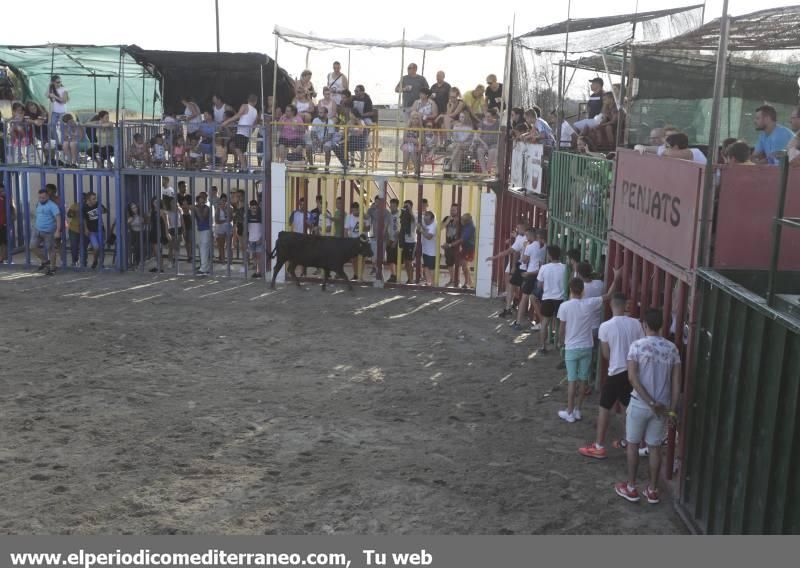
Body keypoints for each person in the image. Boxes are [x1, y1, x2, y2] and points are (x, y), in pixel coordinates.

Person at [615, 308, 682, 505]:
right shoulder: (672, 349)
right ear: (662, 325)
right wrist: (671, 409)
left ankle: (631, 486)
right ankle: (653, 489)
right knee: (654, 448)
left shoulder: (636, 346)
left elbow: (632, 378)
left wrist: (649, 401)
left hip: (640, 403)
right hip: (663, 407)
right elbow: (677, 382)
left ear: (644, 325)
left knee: (633, 445)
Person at [579, 292, 644, 459]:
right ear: (625, 306)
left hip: (616, 370)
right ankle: (632, 441)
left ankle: (599, 445)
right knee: (628, 407)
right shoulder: (636, 324)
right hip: (632, 372)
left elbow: (606, 353)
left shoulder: (605, 326)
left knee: (605, 407)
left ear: (611, 305)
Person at [557, 270, 621, 423]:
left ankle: (570, 411)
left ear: (570, 289)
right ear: (583, 290)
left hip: (571, 347)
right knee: (583, 380)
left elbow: (561, 329)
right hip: (586, 346)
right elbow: (608, 295)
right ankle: (578, 410)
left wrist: (560, 342)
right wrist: (616, 278)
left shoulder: (564, 306)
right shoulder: (590, 303)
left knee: (572, 380)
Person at [486, 222, 529, 318]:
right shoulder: (524, 238)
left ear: (524, 228)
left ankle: (509, 307)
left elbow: (511, 252)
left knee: (512, 286)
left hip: (522, 267)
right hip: (525, 267)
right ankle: (512, 305)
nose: (517, 229)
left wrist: (494, 257)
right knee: (516, 287)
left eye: (519, 227)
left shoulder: (521, 239)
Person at [509, 227, 543, 330]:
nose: (526, 237)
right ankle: (540, 321)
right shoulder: (543, 246)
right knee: (536, 298)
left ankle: (518, 322)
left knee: (524, 298)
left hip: (530, 273)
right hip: (539, 273)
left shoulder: (530, 246)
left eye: (527, 235)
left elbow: (524, 260)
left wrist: (524, 249)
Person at [536, 245, 567, 353]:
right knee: (561, 324)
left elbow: (539, 285)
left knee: (545, 323)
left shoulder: (544, 268)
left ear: (549, 255)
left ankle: (542, 347)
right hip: (560, 299)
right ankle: (559, 344)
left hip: (547, 298)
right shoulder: (565, 268)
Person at [221, 94, 259, 172]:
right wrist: (250, 132)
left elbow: (238, 115)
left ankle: (245, 168)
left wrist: (226, 122)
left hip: (241, 132)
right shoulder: (255, 111)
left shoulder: (245, 106)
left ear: (248, 100)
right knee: (238, 149)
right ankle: (244, 167)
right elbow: (254, 124)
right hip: (246, 133)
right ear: (255, 102)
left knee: (238, 149)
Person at [32, 189, 61, 275]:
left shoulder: (53, 206)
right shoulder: (38, 204)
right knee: (32, 246)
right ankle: (45, 261)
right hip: (37, 230)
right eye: (40, 197)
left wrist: (57, 231)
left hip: (49, 231)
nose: (41, 199)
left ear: (47, 197)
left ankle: (52, 267)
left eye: (43, 198)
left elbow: (58, 218)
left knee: (51, 249)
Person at [82, 192, 107, 270]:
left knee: (101, 248)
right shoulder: (85, 208)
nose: (95, 200)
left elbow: (105, 211)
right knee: (96, 247)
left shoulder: (98, 204)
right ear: (88, 200)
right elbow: (84, 219)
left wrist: (102, 209)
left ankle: (101, 263)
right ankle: (95, 260)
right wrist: (86, 229)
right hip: (91, 231)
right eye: (93, 199)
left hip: (101, 230)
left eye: (95, 198)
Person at [473, 108, 500, 175]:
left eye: (489, 116)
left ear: (493, 116)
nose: (487, 118)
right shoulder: (482, 123)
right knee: (479, 151)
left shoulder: (497, 123)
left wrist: (499, 113)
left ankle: (488, 169)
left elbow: (503, 120)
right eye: (486, 116)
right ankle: (484, 171)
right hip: (483, 142)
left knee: (493, 151)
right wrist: (484, 144)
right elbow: (478, 136)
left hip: (493, 143)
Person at [47, 75, 69, 158]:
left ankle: (63, 143)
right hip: (54, 112)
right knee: (52, 126)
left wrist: (55, 96)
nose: (59, 83)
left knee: (63, 127)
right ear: (53, 82)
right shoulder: (51, 90)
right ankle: (57, 142)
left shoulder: (64, 89)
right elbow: (46, 95)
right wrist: (49, 86)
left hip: (62, 112)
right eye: (57, 82)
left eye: (60, 82)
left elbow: (64, 100)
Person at [148, 197, 169, 273]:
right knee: (155, 251)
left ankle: (161, 268)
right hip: (153, 231)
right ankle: (158, 266)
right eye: (154, 201)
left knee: (158, 251)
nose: (155, 203)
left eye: (157, 202)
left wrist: (167, 233)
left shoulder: (162, 211)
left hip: (159, 232)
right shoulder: (152, 211)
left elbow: (167, 223)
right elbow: (149, 222)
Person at [441, 204, 461, 286]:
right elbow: (440, 228)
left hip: (457, 245)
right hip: (448, 245)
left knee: (458, 264)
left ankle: (458, 281)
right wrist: (447, 221)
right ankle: (452, 280)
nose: (452, 211)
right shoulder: (447, 218)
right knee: (449, 263)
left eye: (454, 210)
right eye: (451, 210)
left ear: (457, 211)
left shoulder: (461, 219)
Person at [400, 200, 417, 284]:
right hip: (405, 241)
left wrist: (410, 210)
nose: (405, 208)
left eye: (407, 206)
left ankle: (411, 279)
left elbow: (414, 220)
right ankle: (409, 278)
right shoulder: (403, 215)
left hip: (412, 241)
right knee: (406, 262)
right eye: (405, 206)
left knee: (410, 262)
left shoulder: (413, 214)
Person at [194, 193, 212, 275]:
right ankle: (204, 267)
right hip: (200, 230)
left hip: (206, 230)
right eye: (200, 202)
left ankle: (204, 269)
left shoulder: (207, 208)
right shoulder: (196, 208)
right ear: (197, 202)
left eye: (203, 202)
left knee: (204, 249)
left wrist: (196, 210)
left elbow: (202, 218)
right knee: (201, 249)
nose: (202, 204)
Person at [344, 201, 363, 280]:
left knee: (362, 258)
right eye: (354, 210)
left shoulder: (363, 216)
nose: (355, 212)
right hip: (353, 240)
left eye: (356, 210)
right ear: (352, 210)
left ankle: (360, 275)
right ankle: (355, 274)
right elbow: (346, 230)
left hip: (362, 240)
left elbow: (368, 228)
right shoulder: (349, 217)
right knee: (354, 259)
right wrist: (348, 241)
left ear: (359, 209)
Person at [246, 199, 264, 278]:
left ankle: (259, 272)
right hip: (251, 240)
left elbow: (263, 228)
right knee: (254, 257)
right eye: (253, 208)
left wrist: (261, 238)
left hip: (258, 239)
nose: (254, 209)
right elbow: (246, 228)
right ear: (250, 208)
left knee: (258, 256)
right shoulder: (247, 216)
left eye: (255, 208)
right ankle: (256, 272)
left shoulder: (260, 216)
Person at [419, 210, 437, 286]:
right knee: (426, 266)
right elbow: (426, 228)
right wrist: (422, 227)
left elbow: (429, 236)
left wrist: (421, 231)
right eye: (425, 217)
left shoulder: (434, 225)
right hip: (425, 250)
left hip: (432, 252)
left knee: (431, 268)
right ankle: (428, 282)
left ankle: (433, 283)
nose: (425, 219)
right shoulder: (427, 224)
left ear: (432, 219)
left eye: (427, 218)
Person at [385, 198, 401, 283]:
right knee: (390, 259)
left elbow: (399, 229)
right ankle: (393, 275)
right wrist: (387, 239)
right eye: (391, 205)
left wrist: (395, 241)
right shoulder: (389, 214)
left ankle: (397, 276)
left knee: (397, 259)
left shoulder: (400, 215)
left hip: (397, 240)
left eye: (393, 206)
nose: (391, 207)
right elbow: (386, 227)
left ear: (397, 206)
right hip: (389, 239)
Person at [214, 193, 232, 263]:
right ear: (220, 200)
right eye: (222, 200)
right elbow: (217, 221)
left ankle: (230, 261)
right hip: (220, 228)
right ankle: (223, 260)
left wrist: (224, 210)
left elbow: (230, 219)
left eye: (225, 200)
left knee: (229, 246)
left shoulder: (230, 208)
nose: (224, 202)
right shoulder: (217, 209)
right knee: (221, 245)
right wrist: (225, 220)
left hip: (228, 227)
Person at [0, 182, 13, 263]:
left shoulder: (7, 198)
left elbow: (13, 208)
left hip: (4, 224)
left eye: (2, 191)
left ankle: (2, 259)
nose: (1, 193)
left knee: (4, 242)